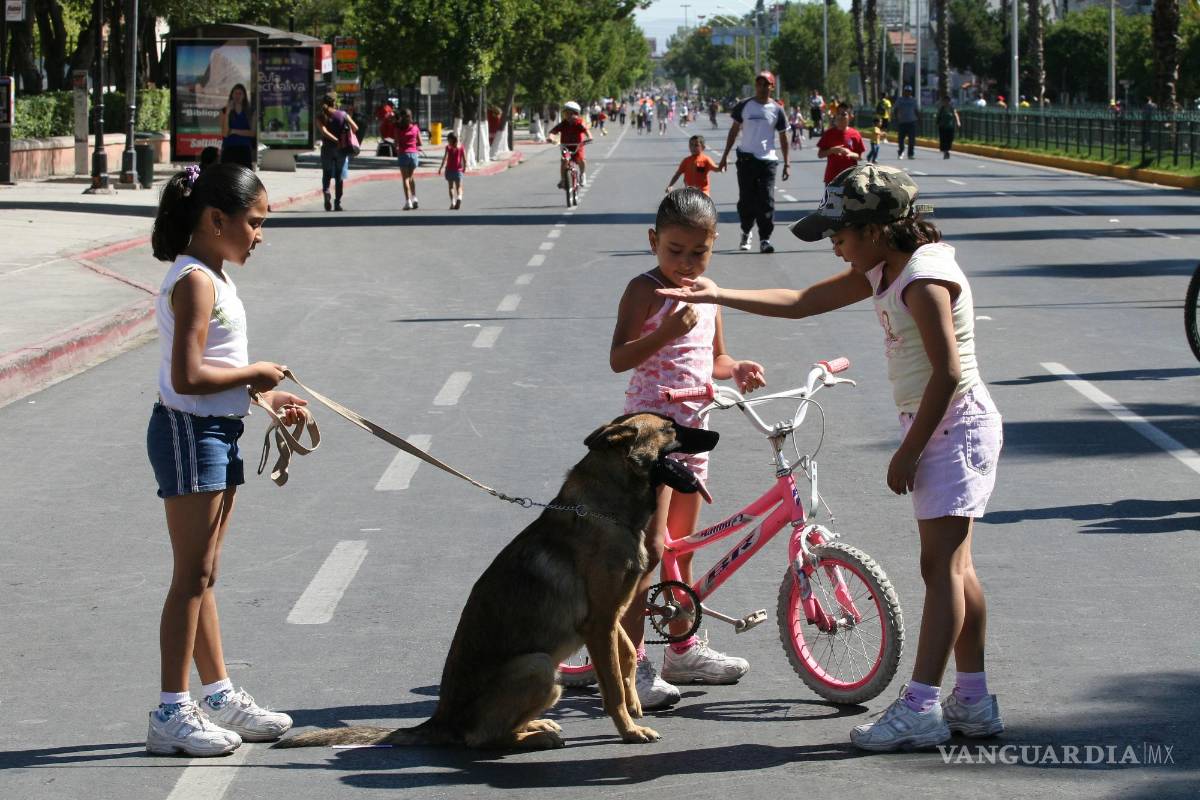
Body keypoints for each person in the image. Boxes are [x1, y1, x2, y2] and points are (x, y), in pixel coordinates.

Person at [656, 163, 1004, 752]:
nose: (835, 246)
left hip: (950, 428)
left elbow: (947, 371)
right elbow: (800, 301)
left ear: (876, 230)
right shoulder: (886, 267)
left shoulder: (921, 280)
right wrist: (718, 293)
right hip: (944, 426)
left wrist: (910, 450)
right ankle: (972, 700)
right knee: (956, 569)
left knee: (940, 569)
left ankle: (922, 705)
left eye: (840, 234)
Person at [146, 162, 307, 756]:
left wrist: (263, 396)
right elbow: (186, 376)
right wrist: (255, 373)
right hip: (191, 433)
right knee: (190, 577)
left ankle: (216, 697)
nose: (260, 235)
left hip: (214, 430)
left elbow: (211, 370)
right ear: (216, 220)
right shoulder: (194, 280)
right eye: (254, 222)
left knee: (203, 573)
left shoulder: (212, 274)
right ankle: (171, 711)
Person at [610, 188, 767, 708]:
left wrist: (737, 368)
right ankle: (632, 666)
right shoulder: (644, 291)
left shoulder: (709, 292)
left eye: (697, 253)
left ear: (713, 246)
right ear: (654, 242)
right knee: (648, 553)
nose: (685, 263)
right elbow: (619, 358)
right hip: (648, 440)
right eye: (674, 250)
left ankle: (683, 648)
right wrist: (664, 332)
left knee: (682, 548)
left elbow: (714, 358)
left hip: (693, 436)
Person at [719, 70, 790, 254]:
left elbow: (783, 137)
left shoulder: (777, 110)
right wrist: (725, 156)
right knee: (746, 200)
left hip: (768, 161)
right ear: (755, 86)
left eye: (766, 84)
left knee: (766, 201)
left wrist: (787, 163)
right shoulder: (744, 106)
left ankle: (765, 238)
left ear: (772, 87)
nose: (762, 87)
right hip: (746, 159)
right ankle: (746, 231)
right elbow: (734, 131)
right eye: (759, 84)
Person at [316, 92, 358, 212]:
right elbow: (355, 128)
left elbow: (323, 132)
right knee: (339, 176)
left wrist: (334, 140)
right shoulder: (343, 114)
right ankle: (337, 203)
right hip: (342, 149)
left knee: (326, 173)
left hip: (327, 148)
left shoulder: (321, 115)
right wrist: (342, 137)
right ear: (335, 102)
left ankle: (326, 191)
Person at [816, 106, 865, 185]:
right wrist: (832, 150)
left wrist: (850, 153)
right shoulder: (829, 133)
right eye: (838, 114)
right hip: (832, 177)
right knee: (831, 197)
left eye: (844, 114)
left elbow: (860, 157)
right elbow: (820, 154)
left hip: (850, 177)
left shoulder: (855, 134)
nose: (841, 116)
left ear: (849, 117)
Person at [550, 101, 593, 188]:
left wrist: (590, 137)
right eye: (566, 113)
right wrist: (551, 138)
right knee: (564, 161)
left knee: (581, 160)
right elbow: (553, 132)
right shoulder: (563, 124)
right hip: (565, 146)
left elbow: (586, 131)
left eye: (571, 113)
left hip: (578, 145)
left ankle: (582, 175)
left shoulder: (579, 123)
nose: (568, 116)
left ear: (576, 114)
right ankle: (563, 180)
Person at [219, 84, 256, 169]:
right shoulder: (224, 111)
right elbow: (225, 133)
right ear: (232, 95)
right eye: (235, 93)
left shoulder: (250, 111)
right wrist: (228, 112)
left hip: (244, 149)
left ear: (244, 96)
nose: (237, 96)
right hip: (229, 148)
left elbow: (252, 133)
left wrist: (233, 131)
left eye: (240, 93)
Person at [394, 108, 422, 210]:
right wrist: (414, 144)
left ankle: (408, 201)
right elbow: (420, 143)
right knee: (411, 177)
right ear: (411, 117)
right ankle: (414, 198)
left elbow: (396, 143)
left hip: (403, 154)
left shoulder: (398, 128)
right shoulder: (415, 128)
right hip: (414, 154)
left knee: (405, 178)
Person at [438, 131, 466, 209]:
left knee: (451, 187)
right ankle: (459, 198)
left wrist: (440, 168)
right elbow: (465, 159)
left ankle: (453, 202)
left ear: (450, 140)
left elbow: (445, 158)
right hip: (458, 170)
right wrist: (464, 168)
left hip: (449, 170)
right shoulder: (461, 147)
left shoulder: (448, 147)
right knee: (459, 187)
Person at [894, 85, 918, 159]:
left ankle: (910, 154)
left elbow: (916, 110)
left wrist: (918, 119)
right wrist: (896, 118)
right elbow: (896, 109)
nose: (908, 93)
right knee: (901, 139)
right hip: (902, 122)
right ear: (904, 92)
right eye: (906, 91)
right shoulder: (900, 100)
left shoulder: (913, 100)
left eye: (909, 91)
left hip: (911, 122)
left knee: (911, 139)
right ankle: (901, 152)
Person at [936, 95, 962, 159]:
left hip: (950, 127)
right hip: (942, 127)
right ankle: (946, 152)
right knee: (944, 140)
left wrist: (958, 122)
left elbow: (955, 114)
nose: (946, 102)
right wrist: (937, 123)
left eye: (947, 100)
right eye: (945, 101)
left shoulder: (951, 108)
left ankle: (947, 150)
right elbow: (938, 117)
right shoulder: (941, 109)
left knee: (950, 139)